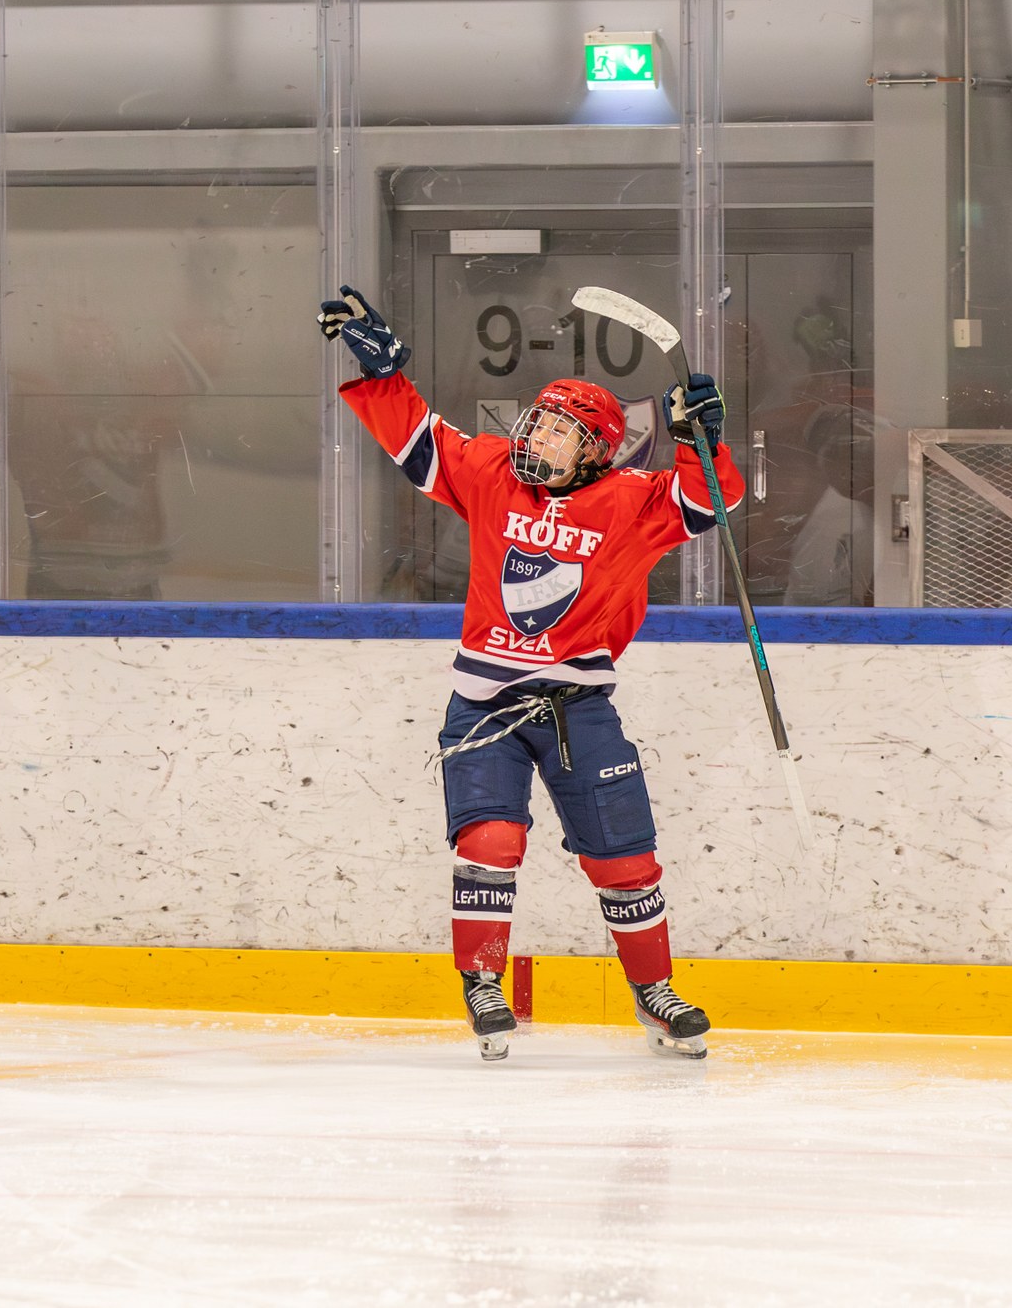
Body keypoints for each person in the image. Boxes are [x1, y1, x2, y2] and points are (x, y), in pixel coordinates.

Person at [317, 285, 743, 1062]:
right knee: (491, 838)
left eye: (558, 430)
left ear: (595, 449)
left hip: (580, 705)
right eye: (537, 421)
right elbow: (420, 442)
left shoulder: (628, 502)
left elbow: (708, 502)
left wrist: (699, 439)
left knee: (626, 859)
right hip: (485, 702)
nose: (537, 436)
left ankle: (653, 992)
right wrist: (383, 375)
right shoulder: (490, 474)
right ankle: (483, 981)